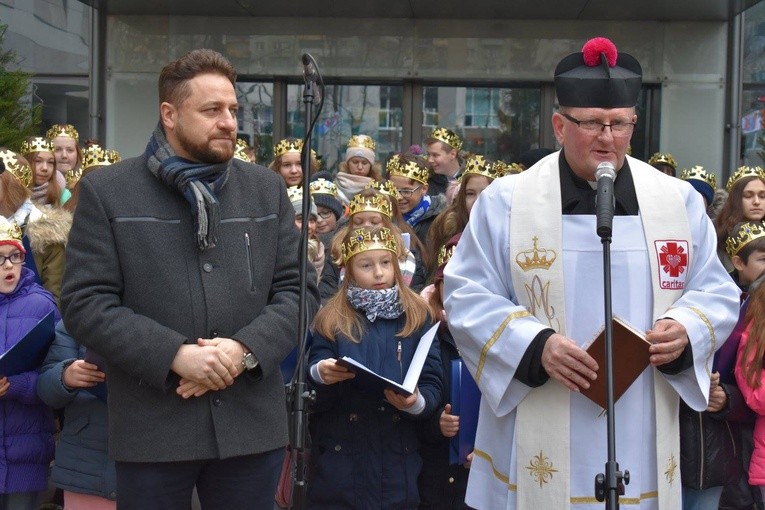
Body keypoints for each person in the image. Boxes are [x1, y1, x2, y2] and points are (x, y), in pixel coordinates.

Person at [443, 36, 740, 510]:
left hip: (640, 416)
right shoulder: (508, 201)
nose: (607, 138)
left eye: (619, 124)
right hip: (542, 405)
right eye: (592, 124)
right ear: (560, 126)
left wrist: (684, 330)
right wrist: (536, 347)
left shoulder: (675, 201)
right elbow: (464, 294)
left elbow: (716, 290)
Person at [60, 48, 319, 510]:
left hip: (249, 427)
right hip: (153, 428)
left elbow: (297, 291)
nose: (228, 122)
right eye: (212, 110)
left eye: (234, 110)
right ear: (170, 114)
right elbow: (85, 302)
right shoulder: (109, 192)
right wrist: (173, 355)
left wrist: (242, 352)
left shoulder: (266, 188)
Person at [306, 226, 441, 509]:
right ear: (349, 271)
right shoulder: (331, 317)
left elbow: (432, 380)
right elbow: (312, 383)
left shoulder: (417, 315)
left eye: (386, 262)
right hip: (341, 457)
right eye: (366, 265)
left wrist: (416, 403)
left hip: (398, 457)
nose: (378, 273)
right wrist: (321, 373)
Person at [0, 216, 58, 510]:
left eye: (15, 256)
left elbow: (58, 375)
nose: (9, 266)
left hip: (26, 449)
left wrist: (16, 385)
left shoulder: (42, 305)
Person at [37, 321, 115, 509]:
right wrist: (65, 376)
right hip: (85, 464)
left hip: (151, 464)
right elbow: (45, 388)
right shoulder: (77, 319)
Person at [20, 136, 71, 207]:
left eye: (50, 162)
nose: (45, 168)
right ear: (25, 163)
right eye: (38, 161)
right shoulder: (11, 193)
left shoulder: (64, 196)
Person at [425, 127, 463, 197]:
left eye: (435, 155)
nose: (429, 160)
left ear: (452, 154)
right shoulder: (426, 182)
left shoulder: (470, 179)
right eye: (428, 154)